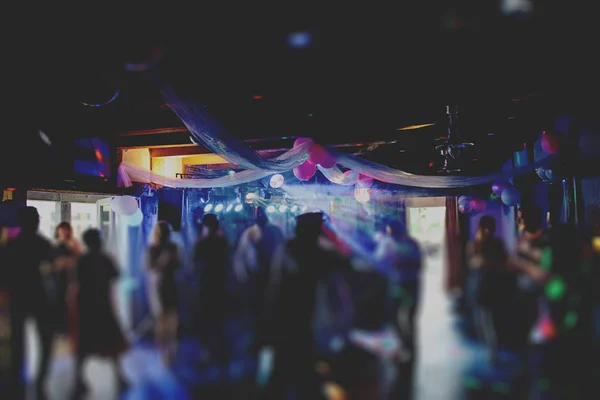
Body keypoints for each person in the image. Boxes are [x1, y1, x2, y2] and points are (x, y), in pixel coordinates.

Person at [262, 212, 352, 399]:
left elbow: (275, 286)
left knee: (291, 371)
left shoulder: (300, 250)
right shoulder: (311, 253)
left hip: (297, 321)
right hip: (297, 321)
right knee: (296, 371)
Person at [4, 206, 56, 399]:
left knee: (17, 341)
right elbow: (52, 270)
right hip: (39, 296)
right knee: (46, 340)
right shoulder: (42, 244)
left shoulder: (11, 245)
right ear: (35, 222)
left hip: (18, 296)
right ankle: (41, 379)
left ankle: (17, 380)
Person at [73, 229, 129, 396]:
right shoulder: (105, 259)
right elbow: (117, 275)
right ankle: (119, 378)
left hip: (87, 307)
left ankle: (79, 380)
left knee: (84, 346)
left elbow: (77, 282)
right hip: (103, 306)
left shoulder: (83, 260)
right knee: (112, 343)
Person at [466, 216, 514, 363]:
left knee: (488, 319)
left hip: (487, 285)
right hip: (484, 284)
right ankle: (491, 349)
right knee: (486, 319)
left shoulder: (490, 244)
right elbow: (473, 263)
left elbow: (477, 263)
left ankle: (492, 351)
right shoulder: (477, 244)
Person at [234, 206, 284, 326]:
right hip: (256, 275)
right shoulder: (251, 233)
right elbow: (241, 257)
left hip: (270, 273)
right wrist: (243, 275)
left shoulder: (273, 231)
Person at [194, 213, 230, 364]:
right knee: (216, 323)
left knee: (210, 323)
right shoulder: (221, 242)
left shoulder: (203, 244)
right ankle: (218, 354)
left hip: (209, 287)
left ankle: (210, 353)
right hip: (216, 287)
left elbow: (195, 266)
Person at [147, 221, 180, 365]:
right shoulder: (153, 249)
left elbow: (179, 264)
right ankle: (163, 351)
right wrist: (163, 260)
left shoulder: (173, 247)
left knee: (171, 317)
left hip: (170, 284)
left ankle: (171, 350)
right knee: (161, 318)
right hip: (158, 285)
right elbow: (150, 267)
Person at [53, 222, 83, 338]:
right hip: (58, 276)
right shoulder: (56, 244)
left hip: (70, 276)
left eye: (65, 230)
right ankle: (60, 326)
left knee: (69, 301)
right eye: (61, 231)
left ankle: (68, 327)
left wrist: (69, 261)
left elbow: (78, 258)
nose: (63, 233)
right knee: (59, 299)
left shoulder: (73, 243)